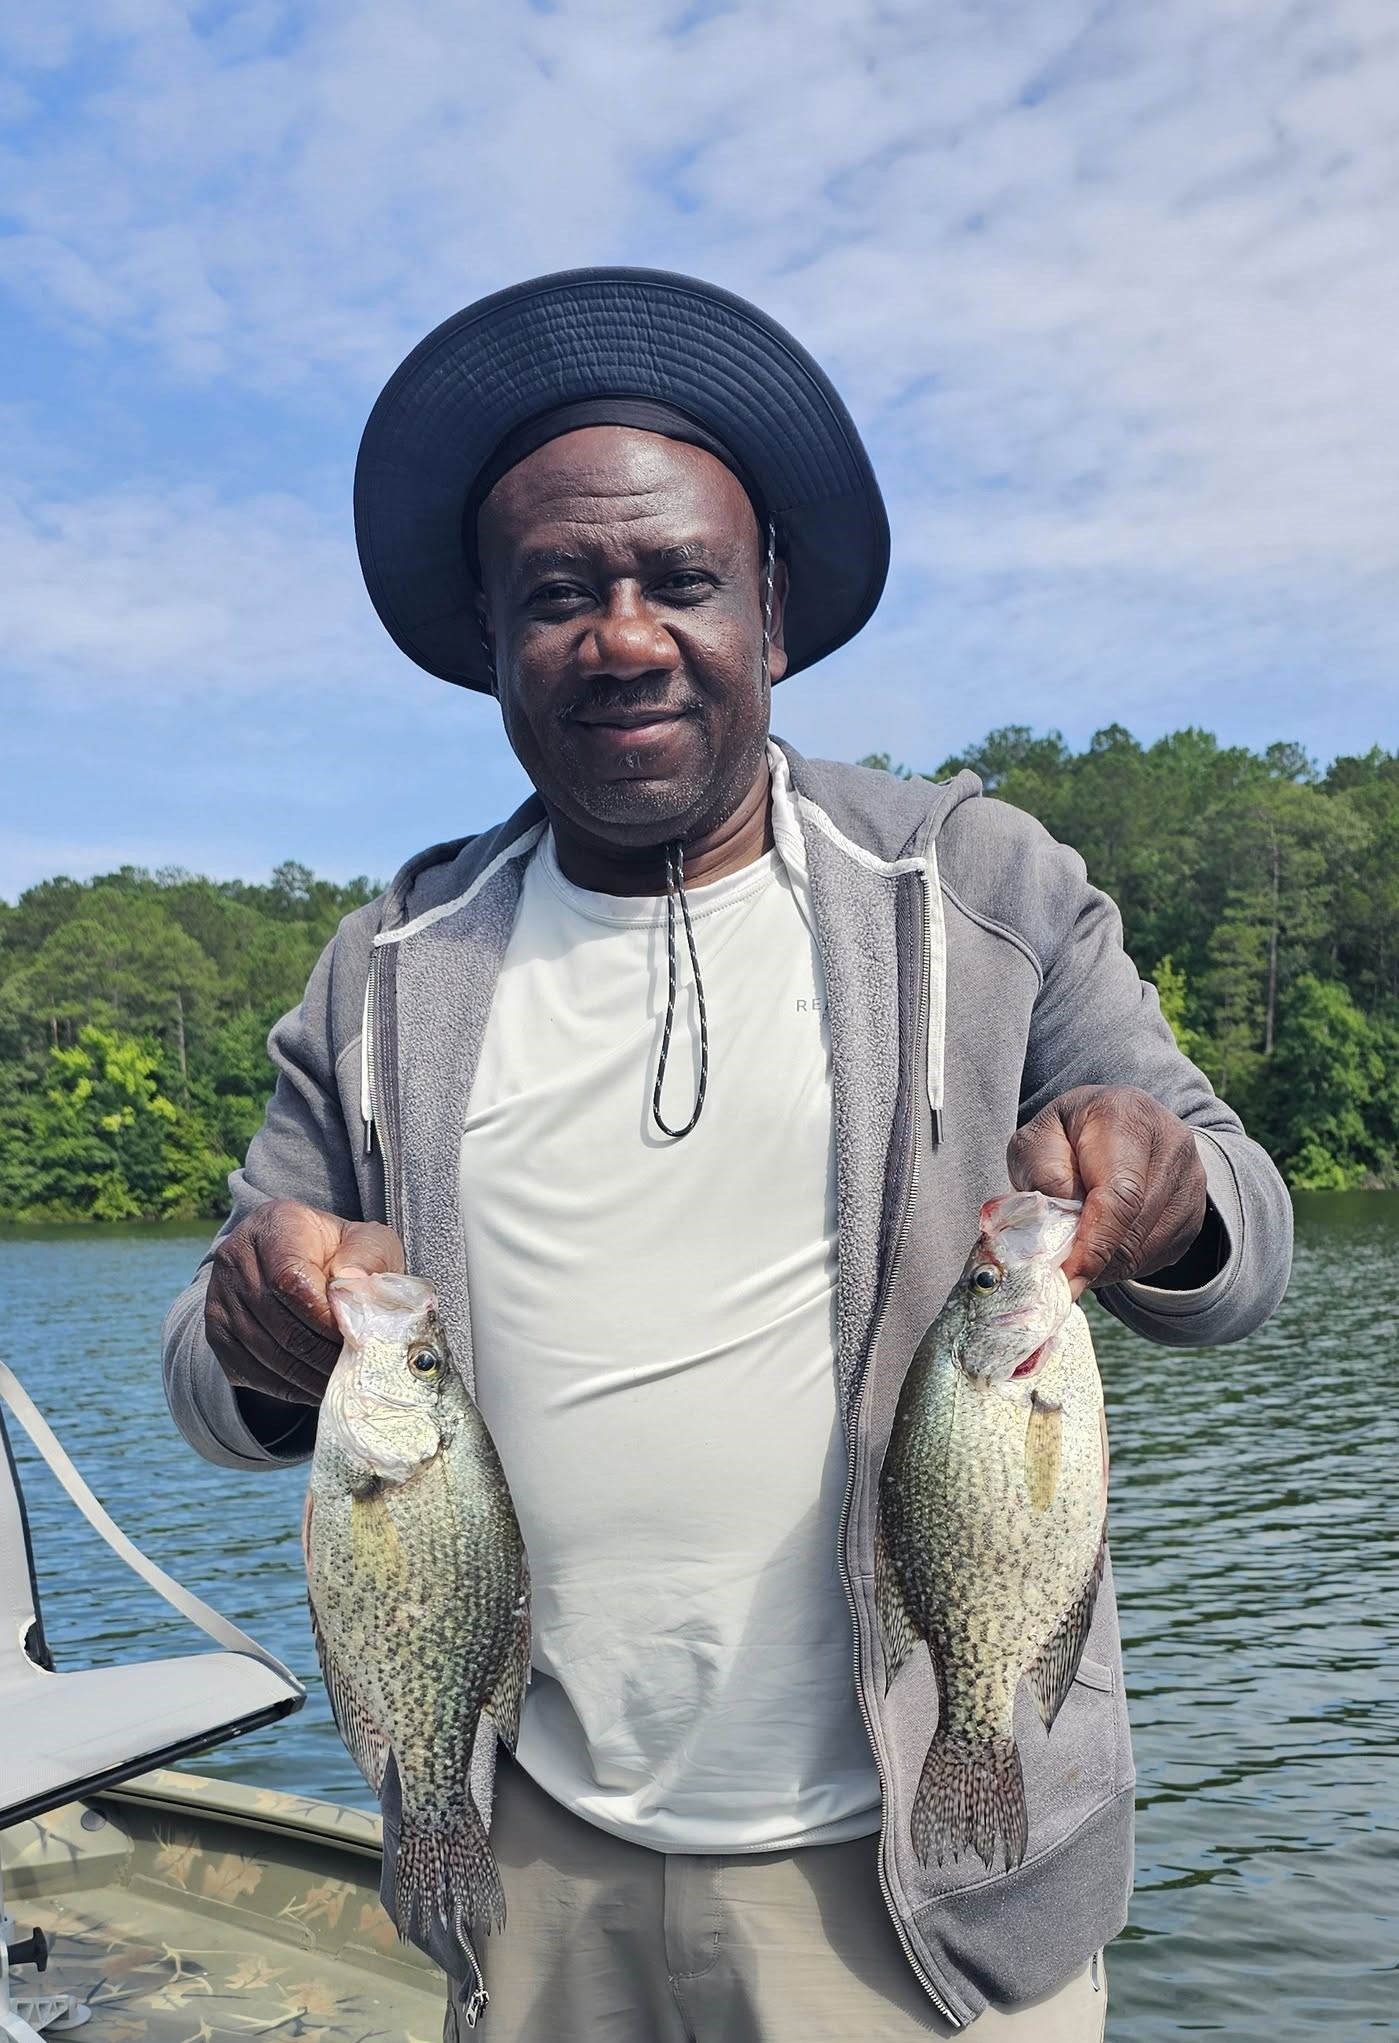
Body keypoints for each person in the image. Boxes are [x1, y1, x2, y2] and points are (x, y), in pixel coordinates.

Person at [162, 268, 1292, 2042]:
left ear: (771, 608)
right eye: (559, 593)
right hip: (532, 1864)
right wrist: (250, 1325)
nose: (623, 635)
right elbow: (209, 1389)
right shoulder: (389, 968)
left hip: (917, 1887)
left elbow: (1245, 1243)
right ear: (488, 629)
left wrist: (1170, 1200)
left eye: (679, 579)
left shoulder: (982, 888)